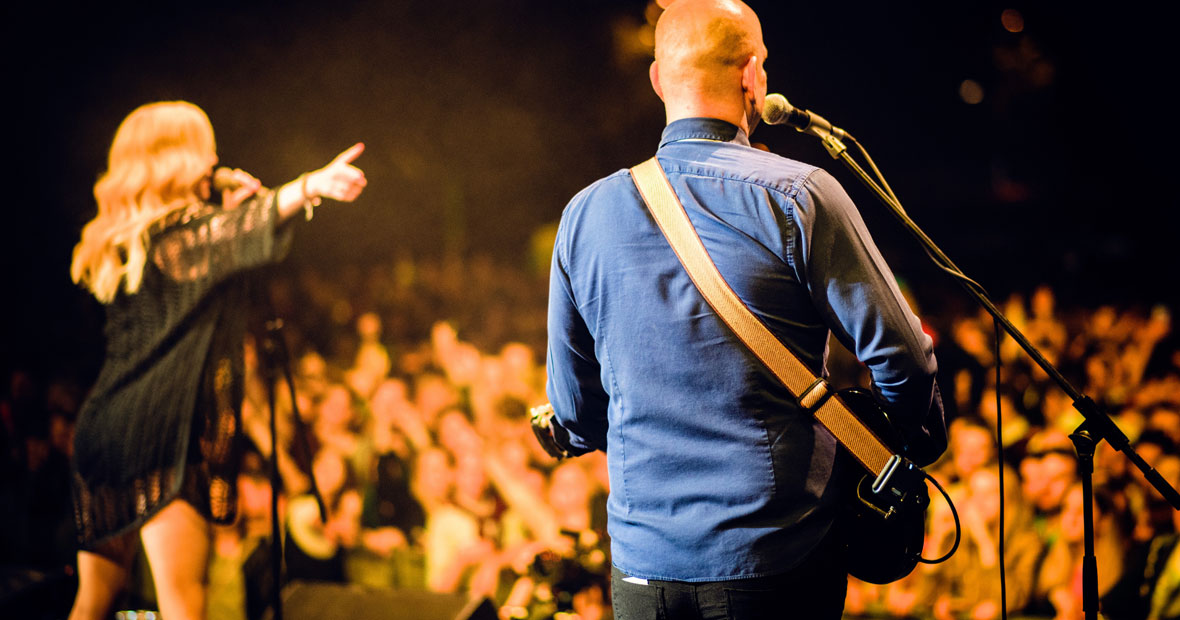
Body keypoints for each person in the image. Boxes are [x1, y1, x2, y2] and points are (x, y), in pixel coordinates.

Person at [541, 1, 945, 618]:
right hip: (774, 563)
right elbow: (905, 362)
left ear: (657, 78)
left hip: (641, 570)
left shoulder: (584, 215)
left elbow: (573, 414)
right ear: (753, 74)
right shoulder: (799, 195)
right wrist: (894, 448)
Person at [67, 100, 367, 620]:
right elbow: (242, 229)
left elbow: (228, 242)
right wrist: (310, 186)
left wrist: (237, 214)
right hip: (163, 433)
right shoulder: (185, 232)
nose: (214, 158)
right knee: (185, 605)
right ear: (180, 156)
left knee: (94, 602)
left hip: (105, 428)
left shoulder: (130, 239)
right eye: (205, 146)